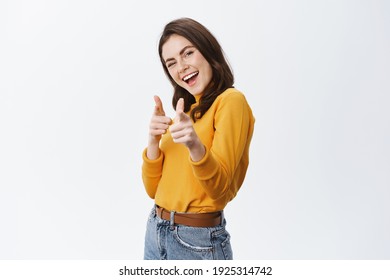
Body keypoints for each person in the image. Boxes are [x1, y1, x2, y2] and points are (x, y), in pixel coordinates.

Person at [141, 17, 255, 260]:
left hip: (196, 240)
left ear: (207, 49)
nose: (180, 67)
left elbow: (219, 190)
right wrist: (153, 141)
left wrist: (194, 145)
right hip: (156, 231)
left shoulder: (231, 101)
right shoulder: (188, 113)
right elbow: (153, 190)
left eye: (188, 53)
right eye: (171, 63)